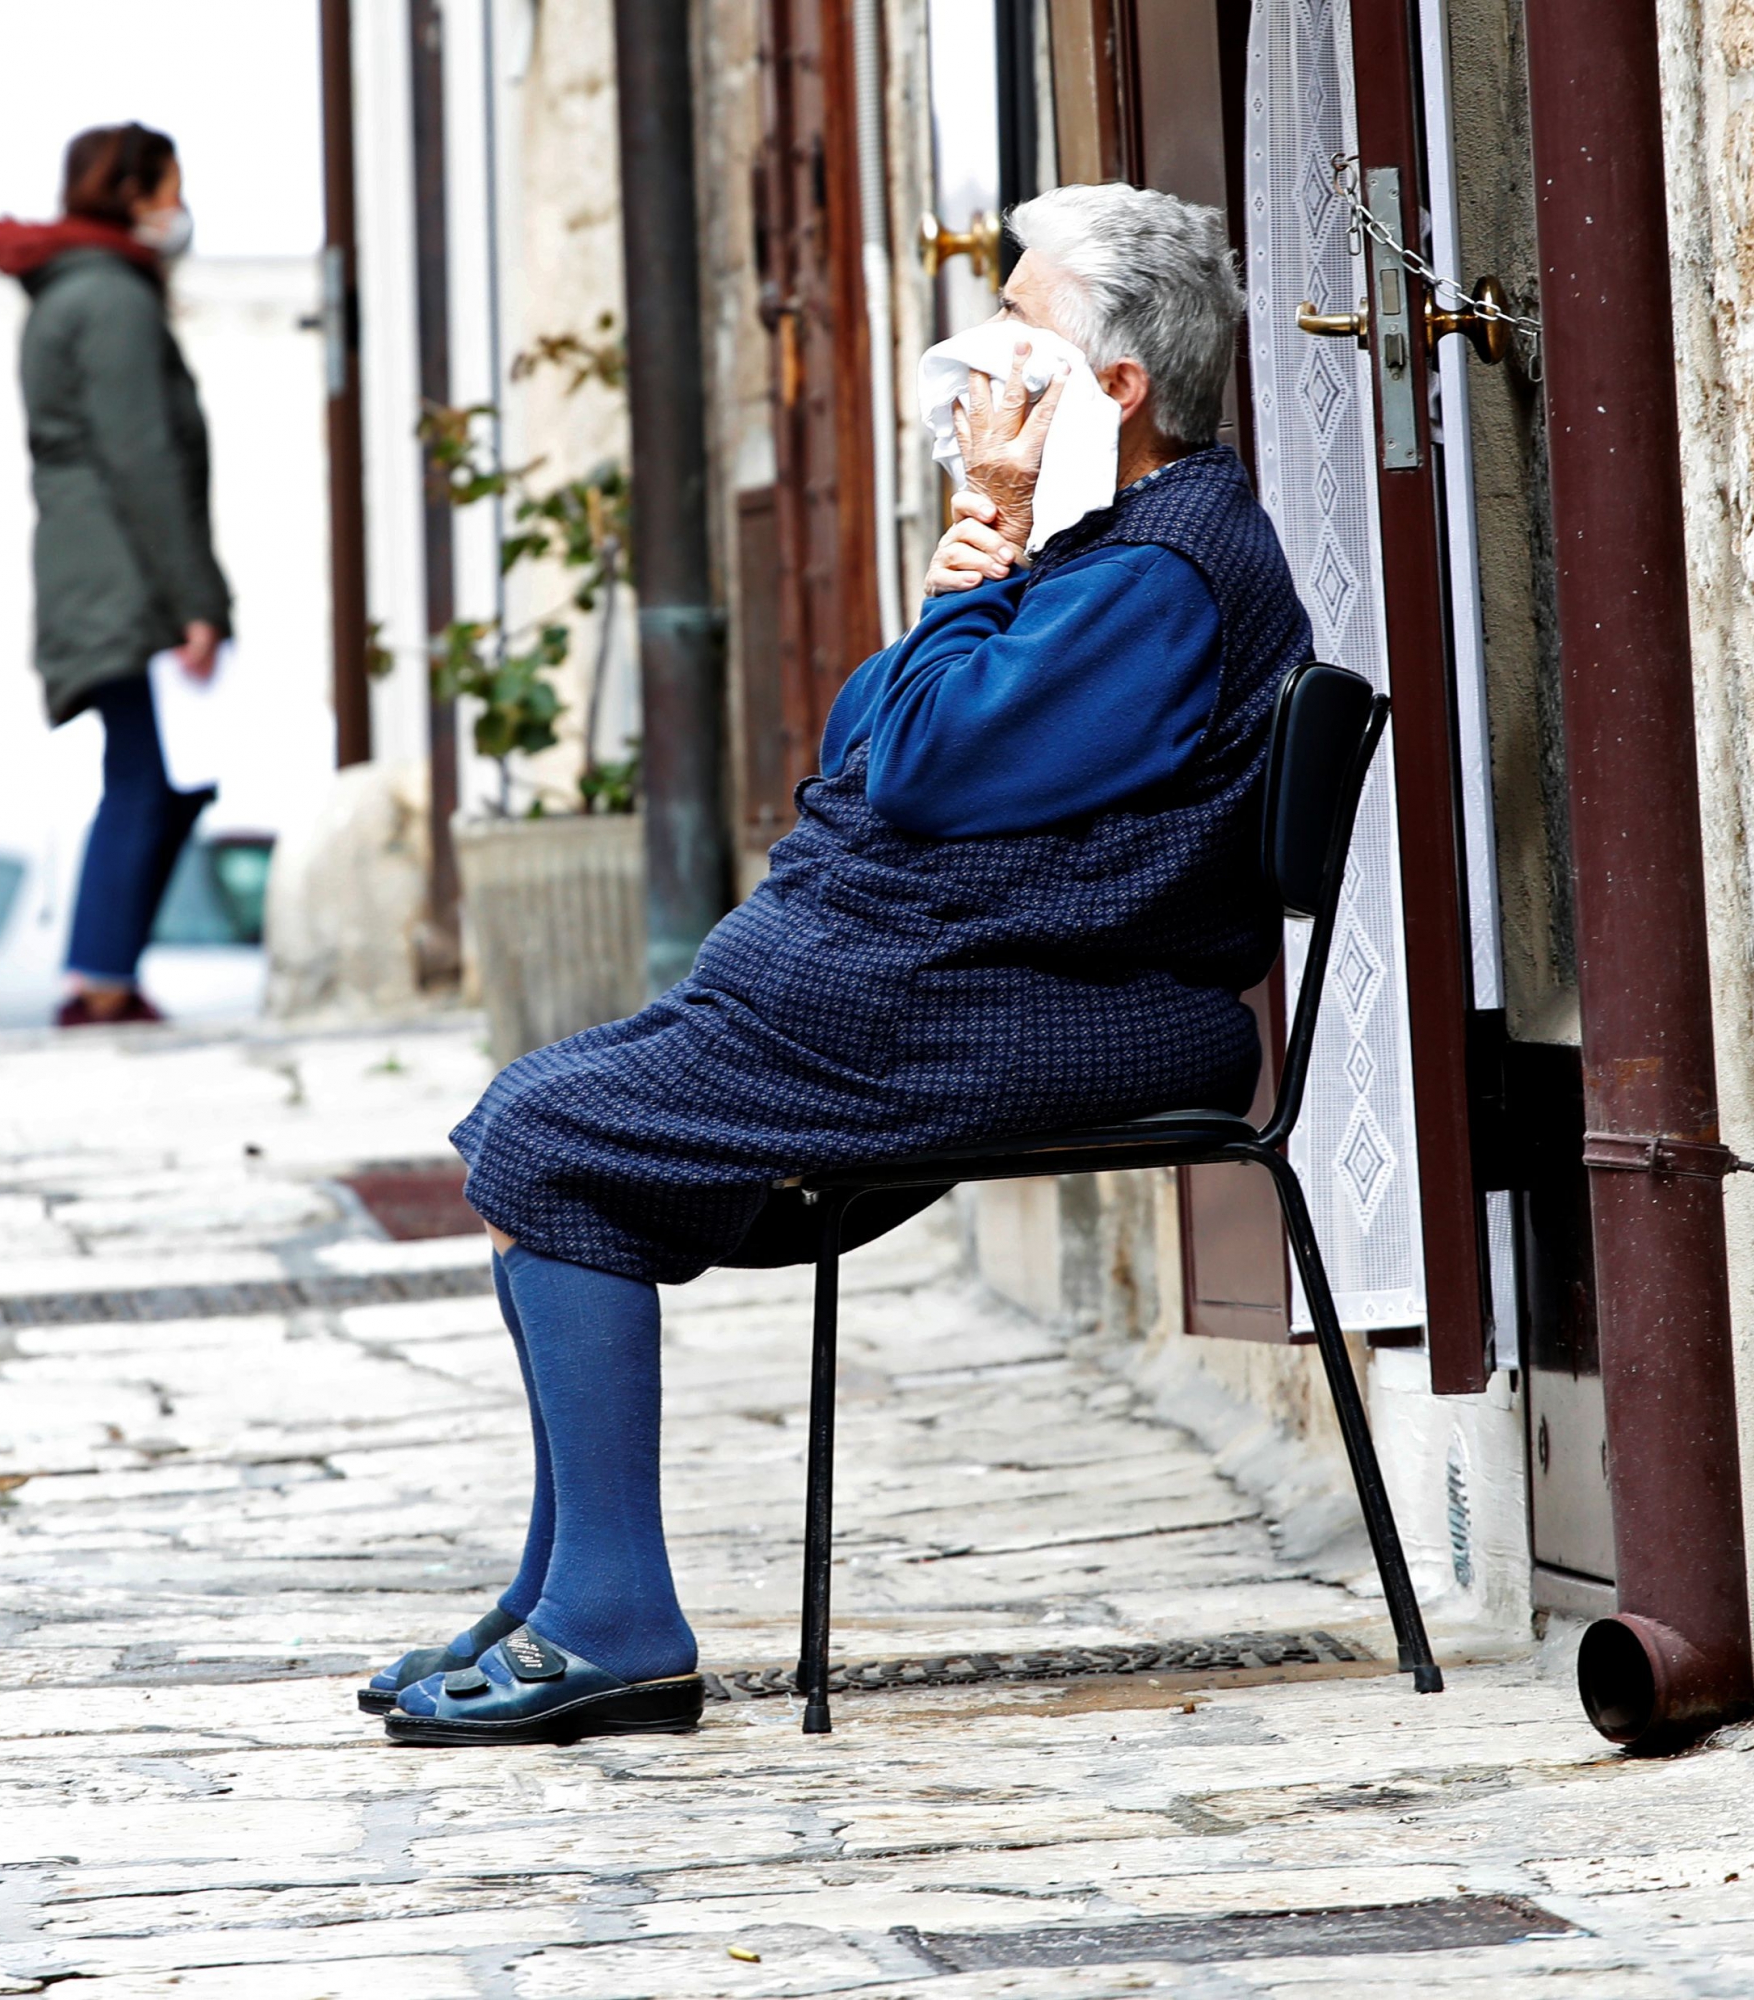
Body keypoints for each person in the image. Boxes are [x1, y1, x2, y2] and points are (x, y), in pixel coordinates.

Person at [368, 184, 1307, 1746]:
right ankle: (565, 1594)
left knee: (543, 1136)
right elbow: (864, 737)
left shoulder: (1158, 573)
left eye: (1019, 336)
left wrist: (986, 545)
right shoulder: (1116, 548)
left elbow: (914, 765)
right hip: (962, 977)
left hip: (1057, 1007)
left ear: (1115, 391)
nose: (982, 373)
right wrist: (977, 579)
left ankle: (606, 1618)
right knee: (545, 1130)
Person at [0, 124, 232, 1027]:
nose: (177, 208)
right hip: (127, 577)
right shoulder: (112, 299)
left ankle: (104, 972)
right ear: (132, 194)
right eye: (168, 187)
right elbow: (143, 457)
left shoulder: (77, 290)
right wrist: (196, 600)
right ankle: (97, 980)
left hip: (104, 570)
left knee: (164, 773)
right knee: (147, 775)